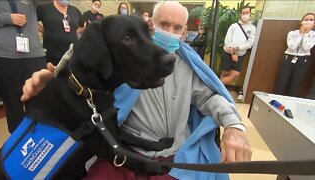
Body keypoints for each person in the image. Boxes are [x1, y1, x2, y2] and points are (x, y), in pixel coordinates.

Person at [21, 2, 251, 180]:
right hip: (120, 151)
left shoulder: (190, 66)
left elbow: (211, 97)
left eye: (177, 27)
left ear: (184, 32)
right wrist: (46, 78)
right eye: (164, 25)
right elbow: (75, 66)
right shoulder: (120, 53)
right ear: (152, 25)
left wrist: (234, 126)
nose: (170, 31)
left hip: (175, 155)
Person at [0, 0, 48, 133]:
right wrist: (7, 18)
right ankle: (19, 141)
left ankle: (42, 138)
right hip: (4, 56)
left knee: (42, 99)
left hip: (34, 55)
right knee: (14, 105)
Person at [274, 13, 315, 97]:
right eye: (306, 19)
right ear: (301, 22)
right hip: (288, 58)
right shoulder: (292, 33)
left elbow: (306, 47)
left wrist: (306, 34)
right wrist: (301, 34)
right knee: (281, 82)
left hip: (303, 60)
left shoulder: (313, 35)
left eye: (311, 20)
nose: (308, 22)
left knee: (295, 84)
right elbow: (292, 47)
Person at [36, 0, 85, 66]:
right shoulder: (44, 8)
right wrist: (44, 30)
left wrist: (74, 32)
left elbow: (83, 24)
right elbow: (32, 19)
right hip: (51, 54)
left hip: (70, 55)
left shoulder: (75, 10)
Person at [219, 5, 256, 86]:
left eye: (247, 13)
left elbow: (250, 43)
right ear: (240, 14)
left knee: (235, 74)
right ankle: (218, 92)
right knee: (224, 73)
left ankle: (215, 87)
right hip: (228, 53)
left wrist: (237, 49)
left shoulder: (252, 28)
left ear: (250, 13)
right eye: (243, 13)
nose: (245, 15)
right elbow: (227, 40)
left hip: (240, 55)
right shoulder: (234, 26)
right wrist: (233, 53)